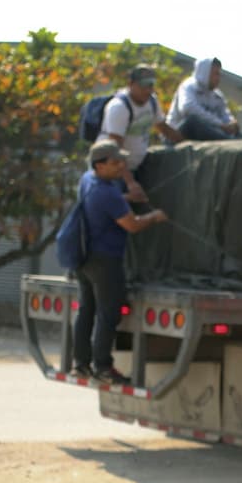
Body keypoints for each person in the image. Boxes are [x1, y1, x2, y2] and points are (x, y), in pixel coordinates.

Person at [72, 140, 170, 384]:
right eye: (115, 162)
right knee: (108, 312)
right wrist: (154, 216)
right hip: (105, 260)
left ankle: (81, 364)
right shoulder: (107, 193)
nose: (121, 166)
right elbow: (132, 224)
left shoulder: (88, 180)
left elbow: (106, 202)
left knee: (87, 309)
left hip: (83, 256)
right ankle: (103, 367)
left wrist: (126, 195)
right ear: (100, 164)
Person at [99, 65, 182, 209]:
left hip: (133, 168)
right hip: (112, 173)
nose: (148, 90)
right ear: (131, 84)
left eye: (151, 86)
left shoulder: (152, 102)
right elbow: (114, 150)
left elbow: (163, 128)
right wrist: (131, 183)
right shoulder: (119, 107)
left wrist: (186, 142)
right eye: (143, 86)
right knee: (106, 212)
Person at [166, 57, 242, 141]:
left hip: (206, 134)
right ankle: (229, 141)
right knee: (193, 121)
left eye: (219, 74)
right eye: (215, 74)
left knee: (238, 132)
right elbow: (187, 108)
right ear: (205, 72)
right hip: (177, 134)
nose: (218, 78)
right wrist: (220, 125)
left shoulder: (217, 95)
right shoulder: (188, 86)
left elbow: (225, 116)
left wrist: (231, 124)